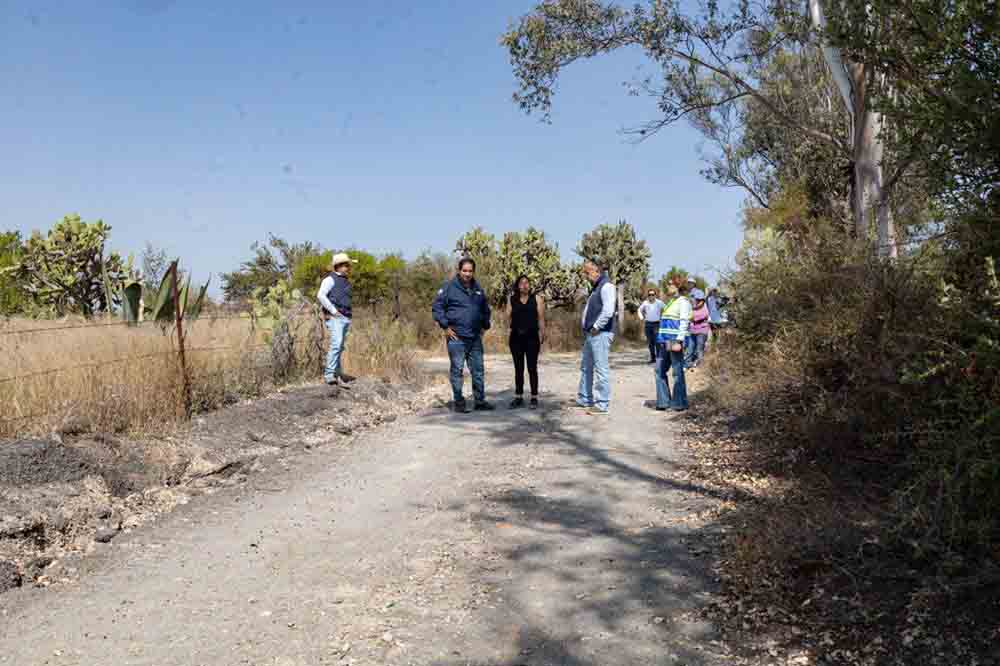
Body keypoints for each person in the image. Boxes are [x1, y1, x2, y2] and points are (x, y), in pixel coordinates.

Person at [432, 257, 494, 413]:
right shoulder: (448, 287)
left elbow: (485, 310)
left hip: (475, 338)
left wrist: (484, 326)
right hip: (456, 338)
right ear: (459, 270)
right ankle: (459, 402)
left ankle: (479, 401)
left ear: (473, 272)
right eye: (464, 270)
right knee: (457, 370)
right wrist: (445, 326)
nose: (467, 274)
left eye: (470, 271)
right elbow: (437, 307)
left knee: (478, 370)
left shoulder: (478, 289)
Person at [575, 260, 616, 416]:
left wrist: (596, 327)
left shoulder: (607, 286)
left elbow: (608, 311)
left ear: (597, 271)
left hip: (600, 333)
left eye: (588, 272)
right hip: (592, 334)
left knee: (601, 368)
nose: (586, 275)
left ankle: (602, 403)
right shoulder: (596, 287)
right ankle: (585, 398)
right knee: (586, 366)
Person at [317, 253, 359, 387]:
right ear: (338, 266)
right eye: (345, 265)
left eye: (348, 265)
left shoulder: (345, 280)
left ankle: (338, 373)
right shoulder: (330, 279)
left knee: (339, 346)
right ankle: (329, 375)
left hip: (345, 316)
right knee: (336, 344)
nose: (347, 267)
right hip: (336, 317)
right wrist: (334, 311)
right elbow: (321, 296)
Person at [508, 275, 546, 409]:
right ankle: (518, 397)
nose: (524, 285)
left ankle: (534, 397)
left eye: (526, 283)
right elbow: (508, 317)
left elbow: (541, 318)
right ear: (517, 286)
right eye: (521, 283)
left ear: (529, 285)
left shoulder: (537, 299)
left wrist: (542, 333)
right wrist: (509, 331)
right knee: (518, 368)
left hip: (531, 338)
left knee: (532, 368)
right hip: (516, 338)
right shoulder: (512, 299)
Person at [654, 280, 691, 411]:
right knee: (659, 370)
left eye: (670, 284)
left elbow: (684, 322)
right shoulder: (670, 302)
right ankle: (663, 402)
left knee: (677, 372)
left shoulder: (683, 302)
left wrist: (680, 341)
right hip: (663, 341)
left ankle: (679, 403)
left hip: (674, 341)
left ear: (677, 286)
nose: (668, 286)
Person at [637, 288, 666, 364]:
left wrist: (664, 318)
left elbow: (666, 308)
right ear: (648, 295)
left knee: (657, 342)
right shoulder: (645, 303)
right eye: (649, 294)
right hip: (648, 324)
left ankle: (659, 358)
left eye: (653, 294)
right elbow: (639, 310)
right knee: (650, 343)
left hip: (656, 324)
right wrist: (641, 317)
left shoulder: (659, 303)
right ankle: (652, 358)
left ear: (655, 295)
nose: (651, 296)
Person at [687, 288, 710, 370]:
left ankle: (700, 365)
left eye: (696, 298)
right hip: (693, 329)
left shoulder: (704, 306)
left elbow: (703, 315)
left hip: (702, 329)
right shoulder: (692, 307)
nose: (694, 300)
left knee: (699, 348)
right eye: (694, 298)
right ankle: (688, 363)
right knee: (690, 347)